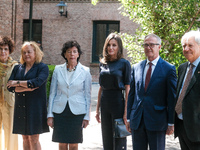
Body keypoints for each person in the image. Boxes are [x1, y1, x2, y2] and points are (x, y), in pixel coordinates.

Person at [126, 33, 177, 150]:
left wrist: (171, 122)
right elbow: (132, 95)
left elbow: (171, 98)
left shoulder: (169, 69)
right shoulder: (136, 67)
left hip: (157, 121)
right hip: (137, 120)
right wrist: (129, 117)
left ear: (159, 47)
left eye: (152, 45)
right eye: (146, 45)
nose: (148, 47)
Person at [47, 40, 92, 150]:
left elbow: (88, 95)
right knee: (62, 143)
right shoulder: (58, 70)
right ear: (65, 54)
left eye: (74, 51)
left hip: (77, 112)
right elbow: (52, 93)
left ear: (78, 54)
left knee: (73, 143)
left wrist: (87, 116)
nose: (72, 54)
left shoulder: (85, 71)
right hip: (60, 111)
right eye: (69, 51)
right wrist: (50, 114)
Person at [7, 41, 49, 150]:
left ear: (36, 53)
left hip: (35, 108)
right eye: (24, 52)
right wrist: (29, 86)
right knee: (25, 138)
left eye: (29, 52)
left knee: (34, 138)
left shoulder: (42, 67)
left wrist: (17, 83)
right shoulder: (17, 68)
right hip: (20, 107)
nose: (26, 55)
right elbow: (9, 87)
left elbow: (37, 83)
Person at [95, 33, 131, 150]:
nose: (111, 48)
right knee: (107, 139)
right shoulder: (103, 63)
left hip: (118, 103)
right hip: (105, 103)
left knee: (119, 139)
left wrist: (126, 111)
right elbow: (101, 87)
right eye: (109, 45)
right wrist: (97, 110)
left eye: (114, 45)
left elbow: (127, 88)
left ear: (119, 47)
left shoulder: (124, 63)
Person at [174, 30, 200, 150]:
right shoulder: (182, 68)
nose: (186, 49)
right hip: (182, 126)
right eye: (184, 46)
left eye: (190, 45)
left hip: (197, 131)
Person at [0, 36, 18, 150]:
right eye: (0, 48)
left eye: (5, 49)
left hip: (10, 103)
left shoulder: (15, 66)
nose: (3, 51)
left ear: (9, 50)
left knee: (11, 132)